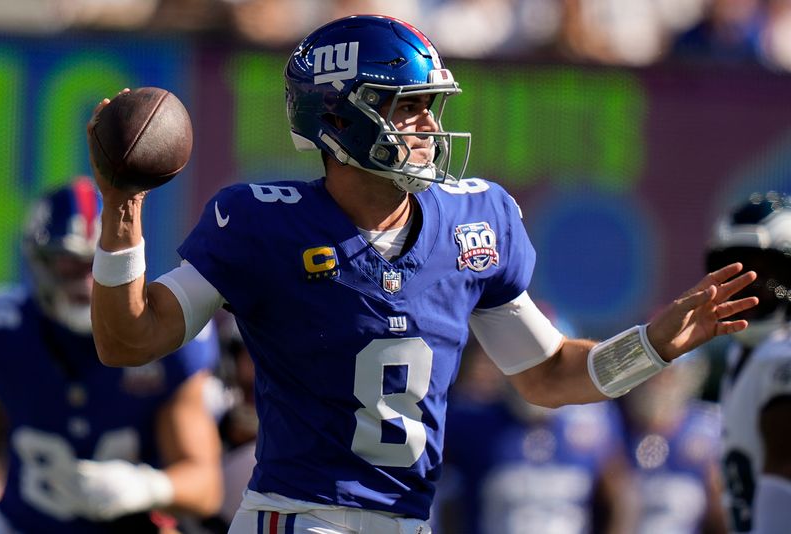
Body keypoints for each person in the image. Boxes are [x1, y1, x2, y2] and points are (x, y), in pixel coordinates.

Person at [86, 15, 758, 534]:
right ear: (339, 115)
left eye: (430, 106)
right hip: (296, 517)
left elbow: (549, 374)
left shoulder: (476, 221)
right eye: (405, 105)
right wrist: (123, 206)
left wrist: (650, 346)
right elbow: (129, 339)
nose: (427, 126)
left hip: (409, 520)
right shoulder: (262, 223)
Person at [0, 177, 224, 533]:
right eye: (71, 264)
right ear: (41, 262)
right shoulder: (4, 329)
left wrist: (145, 487)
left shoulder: (172, 344)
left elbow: (206, 486)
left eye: (98, 264)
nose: (87, 282)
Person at [438, 336, 637, 534]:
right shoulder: (470, 423)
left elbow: (618, 500)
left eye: (542, 364)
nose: (533, 374)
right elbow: (447, 502)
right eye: (523, 364)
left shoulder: (590, 424)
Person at [704, 192, 791, 534]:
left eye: (771, 280)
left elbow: (784, 472)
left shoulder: (779, 357)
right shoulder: (745, 354)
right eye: (737, 282)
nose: (751, 297)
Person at [618, 350, 727, 533]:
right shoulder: (609, 424)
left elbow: (720, 514)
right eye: (646, 372)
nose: (656, 384)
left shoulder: (709, 429)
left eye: (665, 375)